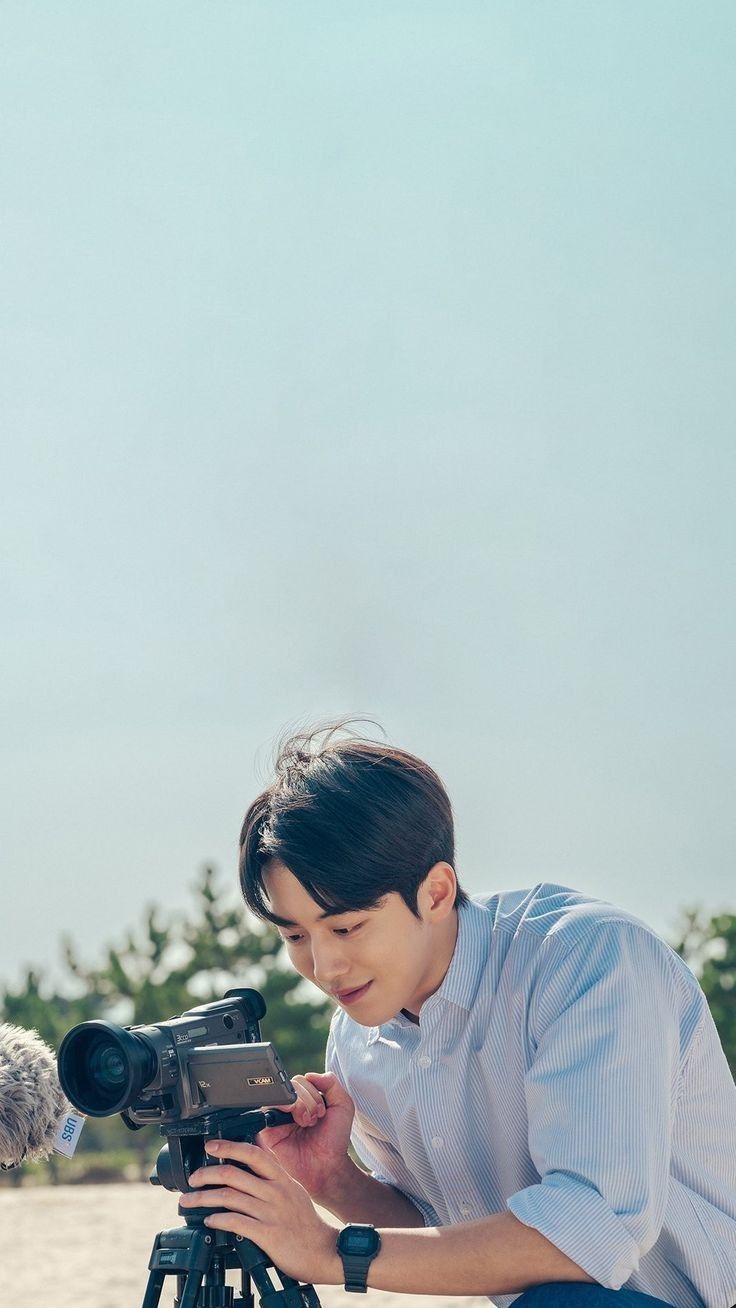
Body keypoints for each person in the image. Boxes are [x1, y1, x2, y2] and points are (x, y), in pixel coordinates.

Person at [179, 724, 736, 1307]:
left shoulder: (587, 959)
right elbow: (444, 1232)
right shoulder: (358, 1039)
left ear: (437, 893)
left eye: (346, 927)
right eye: (295, 935)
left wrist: (328, 1251)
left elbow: (590, 1233)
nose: (325, 966)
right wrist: (334, 1181)